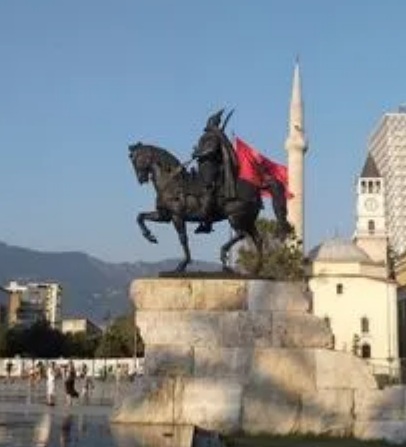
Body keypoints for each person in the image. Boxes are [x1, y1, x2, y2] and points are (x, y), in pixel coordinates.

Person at [192, 109, 239, 233]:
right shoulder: (205, 136)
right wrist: (196, 152)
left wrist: (199, 153)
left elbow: (212, 150)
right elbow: (201, 149)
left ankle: (206, 219)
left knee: (208, 188)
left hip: (211, 167)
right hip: (201, 166)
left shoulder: (216, 135)